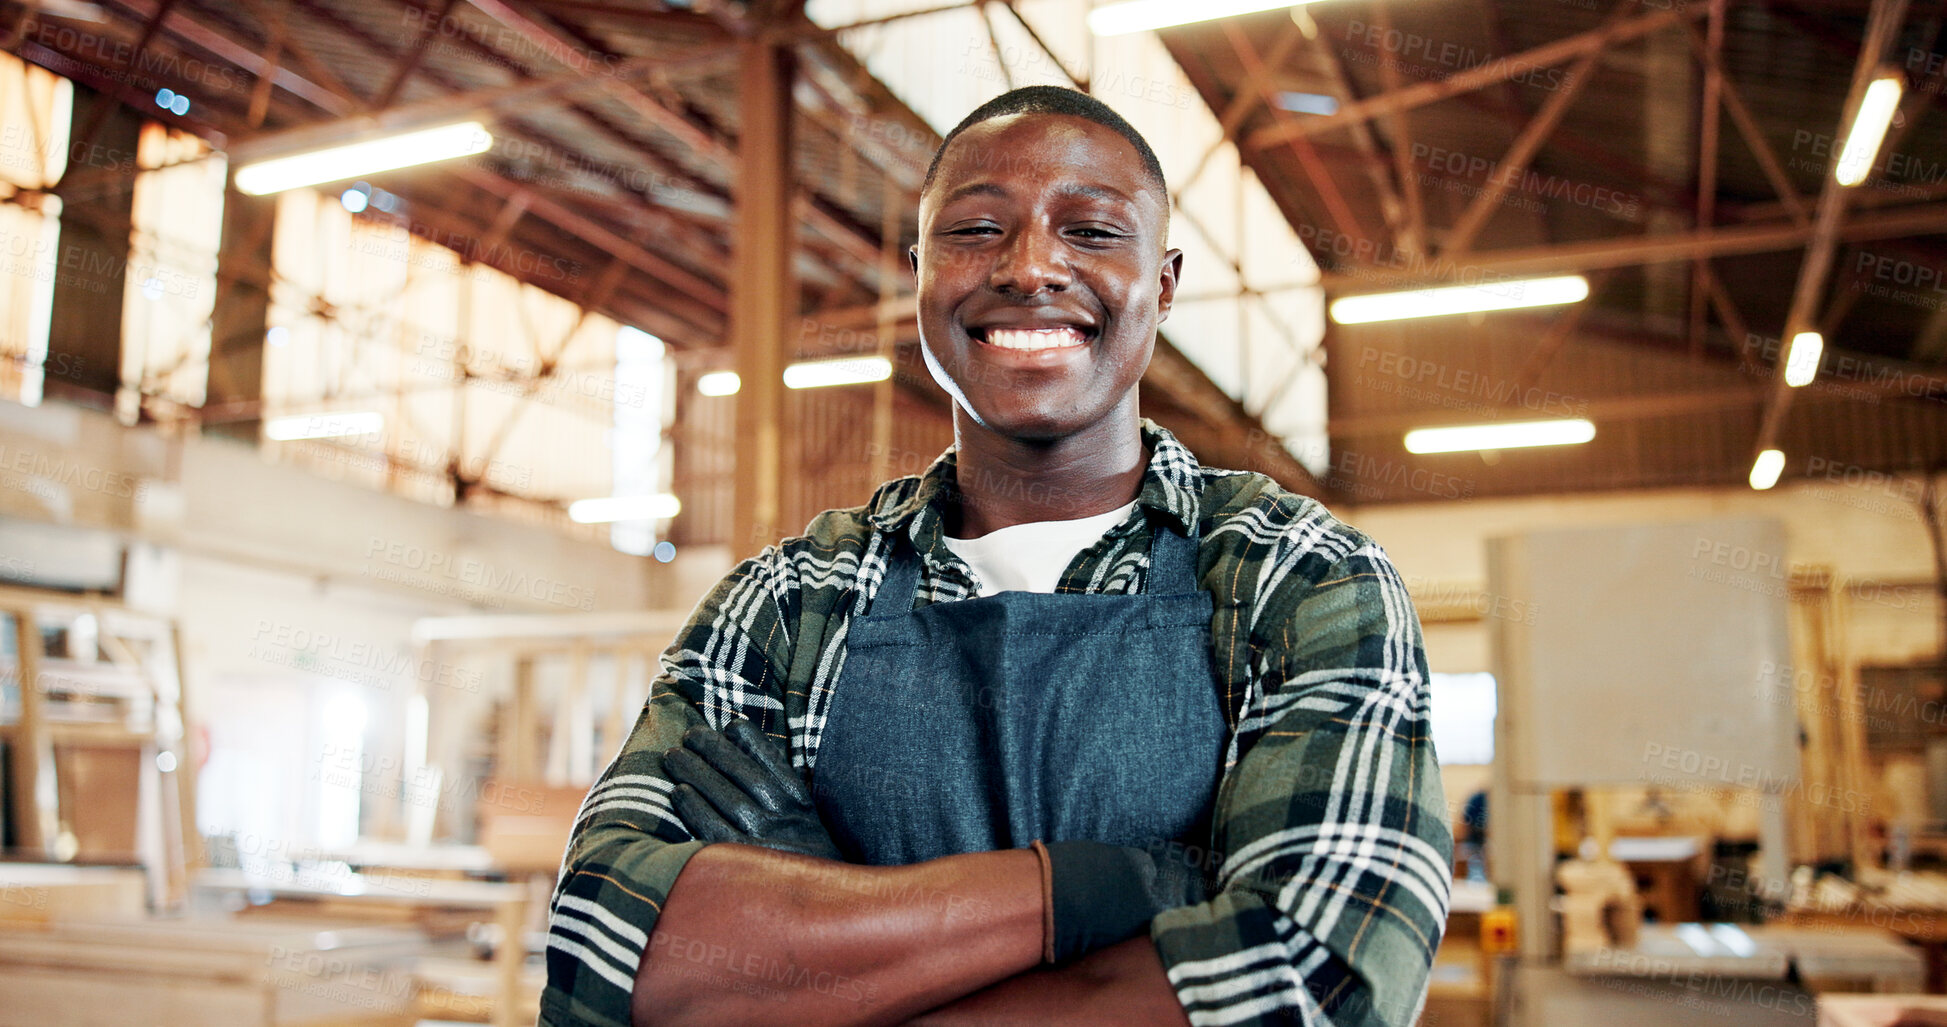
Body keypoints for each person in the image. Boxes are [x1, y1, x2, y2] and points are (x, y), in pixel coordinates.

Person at [542, 85, 1452, 1027]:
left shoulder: (1296, 578)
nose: (1029, 268)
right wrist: (1097, 891)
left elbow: (1312, 984)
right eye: (975, 230)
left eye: (1092, 232)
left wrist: (823, 945)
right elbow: (612, 953)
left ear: (1165, 284)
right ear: (920, 272)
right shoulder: (784, 605)